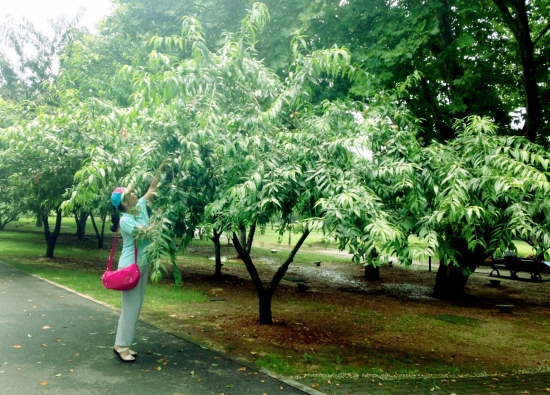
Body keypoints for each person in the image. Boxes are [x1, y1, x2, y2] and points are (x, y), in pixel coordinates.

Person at [110, 161, 167, 362]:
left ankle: (121, 344)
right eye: (130, 194)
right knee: (131, 307)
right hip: (129, 267)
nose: (135, 194)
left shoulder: (140, 206)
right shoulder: (125, 220)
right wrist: (158, 220)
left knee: (136, 305)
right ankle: (122, 347)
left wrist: (159, 169)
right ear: (125, 202)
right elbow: (144, 235)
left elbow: (152, 188)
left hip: (141, 263)